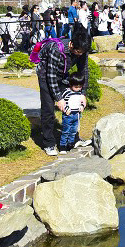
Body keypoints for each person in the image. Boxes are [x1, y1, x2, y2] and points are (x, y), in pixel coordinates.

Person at [36, 28, 90, 156]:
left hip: (63, 74)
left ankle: (74, 139)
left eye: (82, 52)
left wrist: (83, 93)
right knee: (48, 108)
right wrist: (59, 98)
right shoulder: (56, 49)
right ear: (71, 44)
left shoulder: (82, 50)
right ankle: (49, 143)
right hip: (46, 75)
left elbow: (84, 72)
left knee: (74, 102)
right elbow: (51, 76)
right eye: (78, 52)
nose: (80, 55)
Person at [58, 75, 87, 152]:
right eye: (76, 87)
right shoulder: (66, 92)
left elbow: (81, 102)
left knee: (74, 130)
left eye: (80, 87)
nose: (78, 89)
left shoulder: (79, 93)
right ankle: (62, 146)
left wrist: (82, 106)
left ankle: (70, 144)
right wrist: (66, 109)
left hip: (76, 114)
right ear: (71, 84)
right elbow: (64, 102)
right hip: (68, 115)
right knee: (66, 130)